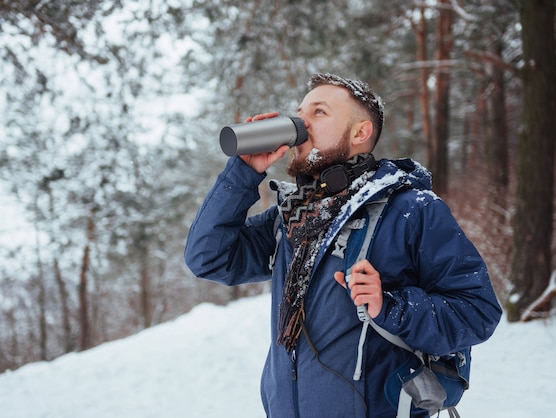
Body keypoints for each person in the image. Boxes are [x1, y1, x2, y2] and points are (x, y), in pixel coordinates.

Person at [184, 73, 502, 417]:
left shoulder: (411, 208)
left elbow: (477, 311)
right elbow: (208, 257)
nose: (300, 123)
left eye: (318, 113)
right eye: (299, 112)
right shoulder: (291, 219)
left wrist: (391, 306)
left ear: (360, 132)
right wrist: (242, 173)